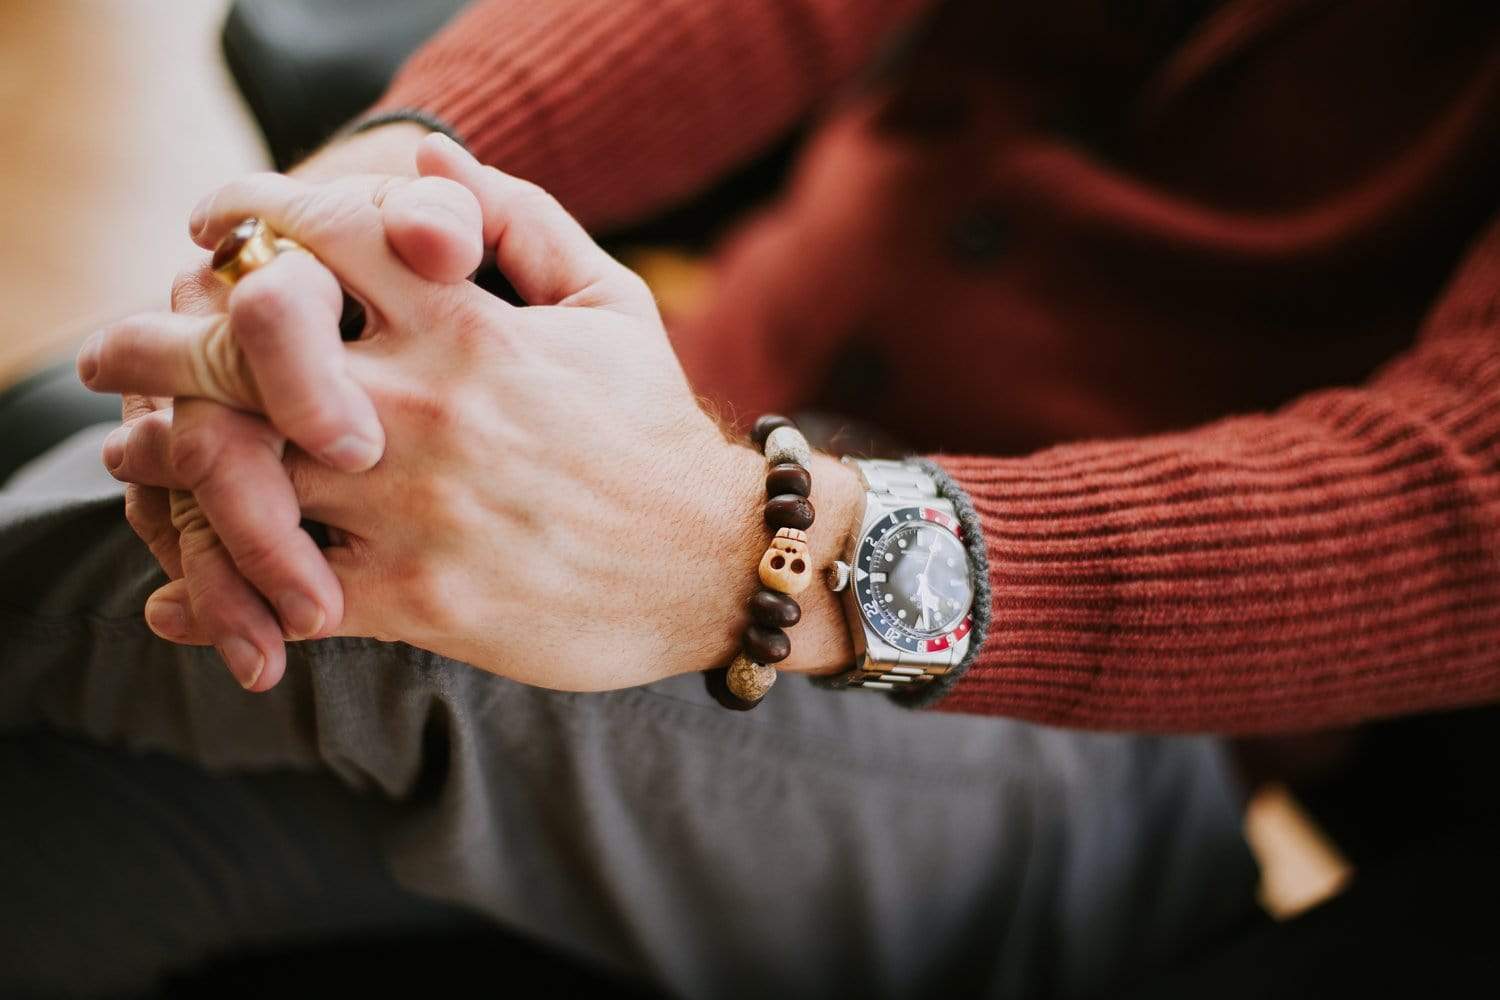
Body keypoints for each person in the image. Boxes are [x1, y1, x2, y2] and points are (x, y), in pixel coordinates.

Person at [3, 0, 1497, 993]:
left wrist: (750, 552)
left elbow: (1461, 497)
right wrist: (402, 179)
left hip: (1103, 713)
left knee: (371, 605)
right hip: (716, 402)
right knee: (84, 822)